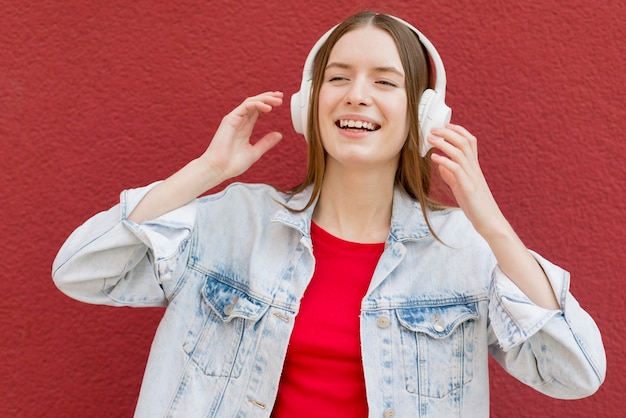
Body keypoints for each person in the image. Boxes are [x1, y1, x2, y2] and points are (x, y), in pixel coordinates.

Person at [52, 10, 605, 417]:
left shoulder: (464, 253)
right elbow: (80, 269)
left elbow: (576, 372)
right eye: (338, 78)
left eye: (384, 82)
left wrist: (492, 226)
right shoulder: (234, 223)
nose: (356, 95)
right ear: (308, 103)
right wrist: (205, 170)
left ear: (423, 113)